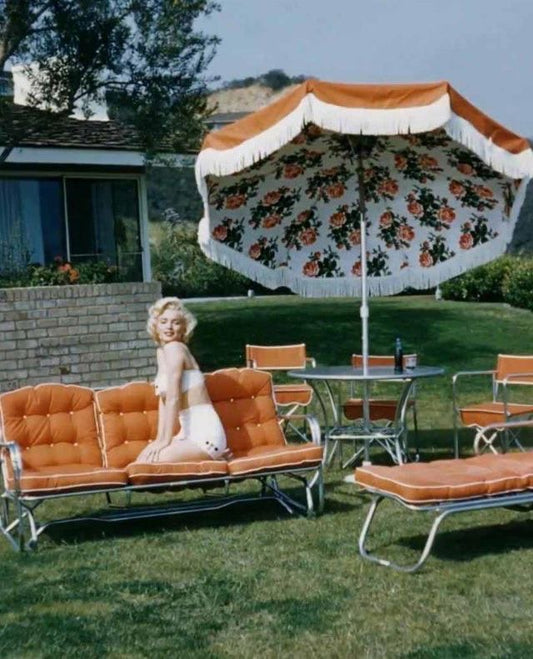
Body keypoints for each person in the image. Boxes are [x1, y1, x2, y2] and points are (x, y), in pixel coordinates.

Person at [135, 297, 228, 463]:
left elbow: (174, 398)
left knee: (147, 464)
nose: (169, 327)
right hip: (186, 434)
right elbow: (164, 401)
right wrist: (159, 439)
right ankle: (214, 459)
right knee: (141, 461)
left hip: (205, 436)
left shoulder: (175, 349)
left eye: (176, 322)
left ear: (184, 327)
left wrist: (166, 440)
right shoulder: (162, 352)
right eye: (164, 321)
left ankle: (214, 459)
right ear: (155, 325)